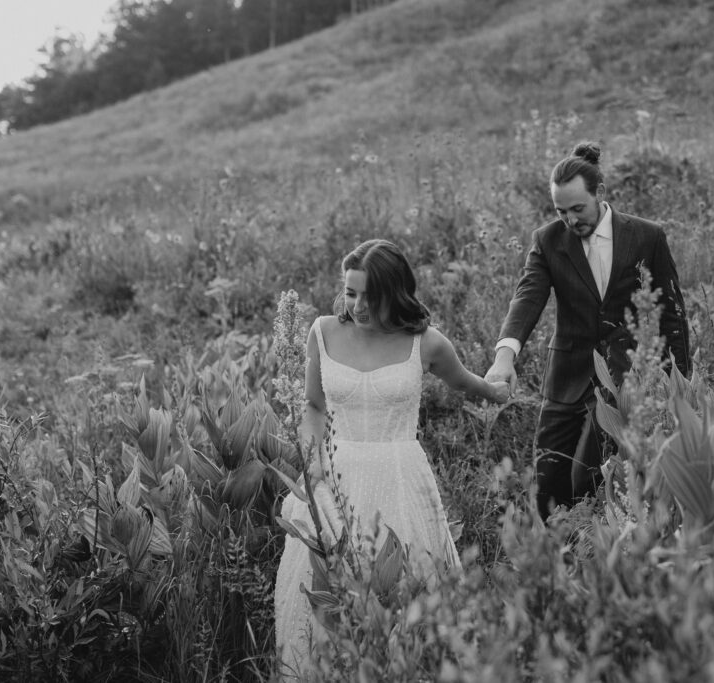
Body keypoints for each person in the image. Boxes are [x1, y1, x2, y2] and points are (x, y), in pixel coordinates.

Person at [274, 238, 510, 679]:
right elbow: (313, 406)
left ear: (395, 293)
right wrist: (313, 467)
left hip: (400, 480)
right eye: (350, 292)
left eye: (370, 295)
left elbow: (467, 383)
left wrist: (497, 384)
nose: (358, 305)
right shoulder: (323, 331)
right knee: (328, 600)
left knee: (406, 597)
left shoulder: (426, 342)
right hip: (334, 476)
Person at [485, 141, 691, 521]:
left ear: (600, 194)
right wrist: (504, 356)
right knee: (547, 484)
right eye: (561, 211)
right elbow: (528, 296)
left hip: (623, 380)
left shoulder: (647, 237)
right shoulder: (548, 240)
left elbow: (671, 315)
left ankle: (595, 554)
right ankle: (555, 567)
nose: (570, 220)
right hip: (567, 378)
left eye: (578, 208)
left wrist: (678, 383)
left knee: (587, 478)